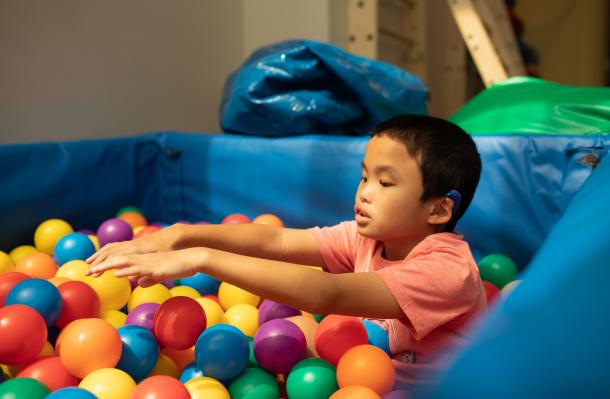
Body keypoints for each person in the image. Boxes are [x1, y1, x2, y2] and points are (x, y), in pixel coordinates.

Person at [86, 114, 486, 388]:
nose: (363, 193)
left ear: (438, 208)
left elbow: (327, 293)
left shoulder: (447, 271)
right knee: (293, 340)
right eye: (364, 176)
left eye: (385, 183)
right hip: (354, 379)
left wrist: (200, 259)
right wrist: (183, 234)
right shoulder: (369, 238)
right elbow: (275, 242)